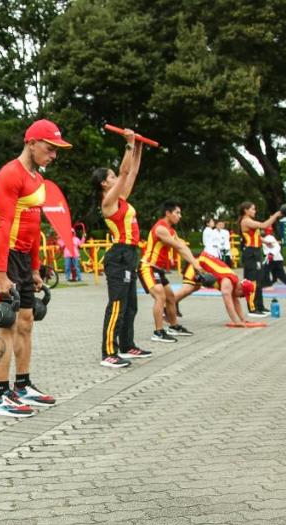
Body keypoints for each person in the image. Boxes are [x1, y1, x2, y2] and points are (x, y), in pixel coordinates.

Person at [0, 119, 71, 416]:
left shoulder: (38, 181)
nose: (54, 155)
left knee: (26, 323)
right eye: (50, 148)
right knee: (6, 325)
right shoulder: (10, 175)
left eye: (57, 150)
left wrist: (35, 270)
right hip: (3, 256)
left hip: (24, 258)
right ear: (31, 143)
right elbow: (3, 225)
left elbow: (34, 228)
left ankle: (22, 386)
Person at [92, 128, 146, 368]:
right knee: (117, 304)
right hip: (119, 256)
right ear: (105, 183)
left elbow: (131, 171)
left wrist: (138, 148)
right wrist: (128, 145)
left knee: (131, 304)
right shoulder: (108, 202)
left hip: (131, 254)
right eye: (111, 177)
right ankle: (108, 352)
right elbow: (125, 171)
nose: (117, 178)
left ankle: (127, 345)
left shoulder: (121, 198)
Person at [139, 201, 202, 343]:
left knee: (171, 298)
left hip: (158, 270)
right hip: (148, 267)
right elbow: (179, 247)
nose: (180, 216)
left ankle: (173, 326)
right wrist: (195, 263)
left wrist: (195, 263)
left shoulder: (171, 230)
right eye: (177, 213)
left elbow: (182, 247)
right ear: (168, 213)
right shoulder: (161, 228)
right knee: (160, 297)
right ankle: (158, 332)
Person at [175, 253, 256, 327]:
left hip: (201, 264)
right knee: (187, 288)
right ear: (240, 290)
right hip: (197, 263)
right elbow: (229, 304)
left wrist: (242, 320)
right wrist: (236, 322)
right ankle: (167, 304)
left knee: (195, 287)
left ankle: (172, 303)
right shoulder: (228, 283)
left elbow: (236, 301)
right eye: (242, 295)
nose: (241, 298)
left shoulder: (235, 283)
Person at [238, 201, 282, 317]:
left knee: (259, 280)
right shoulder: (246, 221)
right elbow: (263, 225)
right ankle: (252, 308)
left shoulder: (250, 221)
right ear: (246, 210)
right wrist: (276, 215)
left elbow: (255, 235)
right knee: (251, 281)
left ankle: (260, 306)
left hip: (257, 252)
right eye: (252, 209)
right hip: (250, 253)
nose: (254, 211)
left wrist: (265, 241)